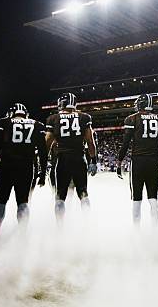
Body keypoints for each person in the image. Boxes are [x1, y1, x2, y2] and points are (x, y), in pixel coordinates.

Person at [0, 103, 47, 241]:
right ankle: (22, 236)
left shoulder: (3, 122)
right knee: (23, 202)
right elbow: (42, 152)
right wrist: (43, 173)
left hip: (7, 166)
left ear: (11, 113)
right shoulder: (37, 125)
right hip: (26, 168)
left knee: (0, 201)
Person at [45, 92, 98, 221]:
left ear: (61, 103)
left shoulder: (53, 118)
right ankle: (87, 223)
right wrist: (93, 161)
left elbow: (47, 143)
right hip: (79, 159)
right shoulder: (84, 117)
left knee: (60, 196)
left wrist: (43, 161)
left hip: (62, 160)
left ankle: (60, 227)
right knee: (83, 194)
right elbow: (91, 142)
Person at [117, 93, 158, 226]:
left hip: (138, 161)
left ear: (140, 104)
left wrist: (119, 161)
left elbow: (126, 143)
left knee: (136, 198)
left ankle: (136, 230)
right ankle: (154, 229)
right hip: (154, 161)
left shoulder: (132, 119)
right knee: (152, 197)